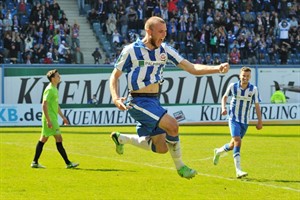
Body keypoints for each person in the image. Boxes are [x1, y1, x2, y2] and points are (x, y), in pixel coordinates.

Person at [109, 16, 230, 179]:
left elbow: (192, 68)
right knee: (172, 126)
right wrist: (116, 98)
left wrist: (217, 68)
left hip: (154, 101)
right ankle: (181, 167)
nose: (164, 35)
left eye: (165, 31)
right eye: (160, 32)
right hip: (137, 101)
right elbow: (114, 76)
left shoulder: (164, 50)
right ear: (148, 31)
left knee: (162, 148)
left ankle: (122, 138)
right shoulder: (131, 50)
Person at [213, 66, 263, 178]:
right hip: (233, 118)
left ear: (250, 77)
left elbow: (257, 105)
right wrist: (223, 108)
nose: (245, 78)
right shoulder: (233, 86)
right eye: (243, 75)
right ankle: (238, 170)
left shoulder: (253, 89)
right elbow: (224, 97)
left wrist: (260, 121)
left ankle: (218, 152)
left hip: (245, 121)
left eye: (247, 76)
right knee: (238, 141)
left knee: (232, 145)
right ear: (240, 75)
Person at [31, 69, 79, 169]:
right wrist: (48, 120)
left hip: (52, 118)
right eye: (57, 76)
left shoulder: (54, 89)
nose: (59, 77)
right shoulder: (50, 89)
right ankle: (68, 163)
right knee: (58, 138)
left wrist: (63, 117)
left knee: (43, 139)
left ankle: (35, 162)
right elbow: (44, 104)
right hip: (50, 119)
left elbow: (55, 106)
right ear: (52, 78)